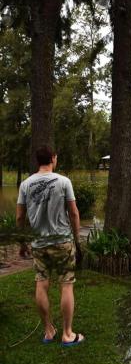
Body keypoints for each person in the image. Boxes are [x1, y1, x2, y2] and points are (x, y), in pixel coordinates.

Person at [16, 145, 85, 347]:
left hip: (38, 244)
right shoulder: (64, 182)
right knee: (66, 286)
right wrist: (77, 240)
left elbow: (20, 217)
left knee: (41, 284)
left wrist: (22, 242)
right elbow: (73, 213)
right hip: (62, 242)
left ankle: (48, 330)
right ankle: (67, 334)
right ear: (53, 159)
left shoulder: (25, 184)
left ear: (38, 161)